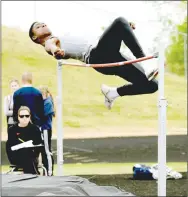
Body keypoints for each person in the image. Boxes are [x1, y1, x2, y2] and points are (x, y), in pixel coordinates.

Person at [29, 17, 159, 110]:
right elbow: (51, 47)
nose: (42, 25)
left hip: (109, 57)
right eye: (38, 27)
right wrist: (56, 51)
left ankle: (113, 93)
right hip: (98, 57)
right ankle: (147, 62)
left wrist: (125, 30)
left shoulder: (61, 36)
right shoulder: (50, 42)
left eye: (43, 24)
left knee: (152, 85)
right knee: (119, 22)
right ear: (35, 37)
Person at [6, 106, 43, 174]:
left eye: (27, 116)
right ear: (18, 117)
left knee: (28, 153)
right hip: (16, 156)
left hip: (32, 156)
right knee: (24, 151)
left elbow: (39, 145)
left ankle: (31, 174)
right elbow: (10, 146)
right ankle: (33, 174)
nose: (24, 118)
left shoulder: (35, 129)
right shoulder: (12, 130)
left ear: (30, 116)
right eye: (21, 116)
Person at [38, 85, 55, 176]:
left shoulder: (47, 102)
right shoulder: (44, 102)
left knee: (47, 150)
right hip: (42, 128)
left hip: (45, 129)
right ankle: (46, 170)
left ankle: (49, 171)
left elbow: (42, 116)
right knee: (43, 150)